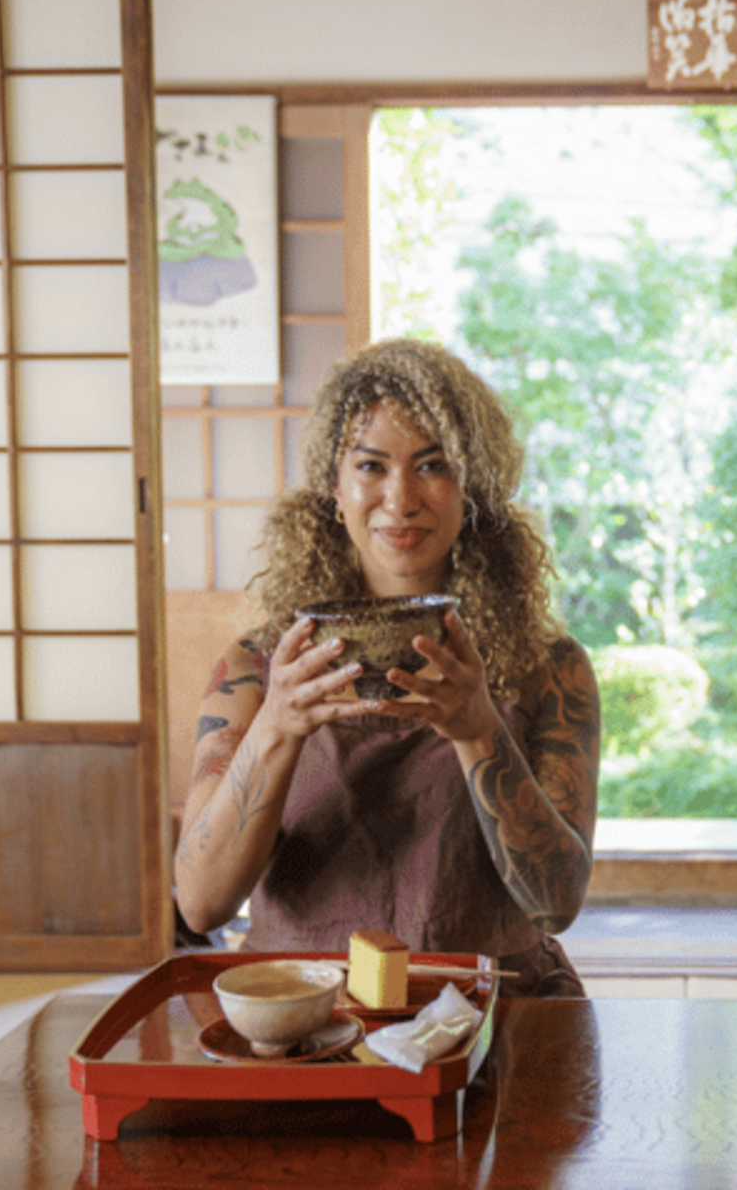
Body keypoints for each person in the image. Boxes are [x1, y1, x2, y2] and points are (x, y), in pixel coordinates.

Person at [174, 338, 601, 997]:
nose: (400, 500)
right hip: (303, 1013)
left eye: (432, 466)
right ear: (333, 488)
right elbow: (200, 906)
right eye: (371, 466)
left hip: (496, 1011)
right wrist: (279, 727)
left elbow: (556, 904)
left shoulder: (547, 667)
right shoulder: (256, 670)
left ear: (471, 487)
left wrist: (476, 727)